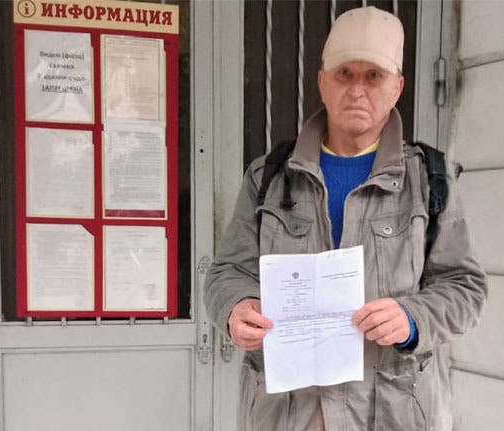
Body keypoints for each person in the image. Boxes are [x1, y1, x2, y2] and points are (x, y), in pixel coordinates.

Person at [204, 6, 487, 430]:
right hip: (287, 412)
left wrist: (412, 319)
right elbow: (227, 271)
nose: (357, 90)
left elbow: (464, 287)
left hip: (392, 412)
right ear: (322, 82)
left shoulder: (429, 180)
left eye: (374, 76)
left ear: (397, 87)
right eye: (344, 74)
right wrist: (235, 307)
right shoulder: (270, 176)